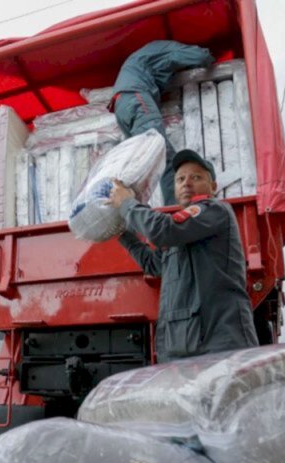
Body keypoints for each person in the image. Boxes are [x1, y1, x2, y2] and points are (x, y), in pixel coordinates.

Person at [110, 149, 258, 362]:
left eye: (196, 177)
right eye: (180, 179)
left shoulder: (214, 211)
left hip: (219, 347)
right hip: (181, 348)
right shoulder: (180, 230)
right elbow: (153, 264)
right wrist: (123, 234)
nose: (186, 183)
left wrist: (127, 204)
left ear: (213, 187)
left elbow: (162, 231)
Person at [110, 40, 214, 205]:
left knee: (141, 165)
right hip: (137, 99)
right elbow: (197, 55)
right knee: (163, 155)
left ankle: (129, 210)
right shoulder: (165, 48)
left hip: (122, 107)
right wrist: (208, 56)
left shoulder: (143, 57)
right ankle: (176, 208)